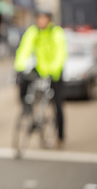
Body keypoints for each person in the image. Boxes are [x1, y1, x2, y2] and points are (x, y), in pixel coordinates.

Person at [14, 10, 67, 148]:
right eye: (39, 18)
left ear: (49, 19)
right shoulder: (33, 32)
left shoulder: (56, 32)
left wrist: (54, 71)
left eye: (44, 18)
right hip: (40, 68)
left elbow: (60, 52)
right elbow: (24, 49)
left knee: (58, 104)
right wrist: (19, 67)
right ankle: (27, 108)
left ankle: (60, 136)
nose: (41, 21)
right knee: (23, 81)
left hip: (54, 71)